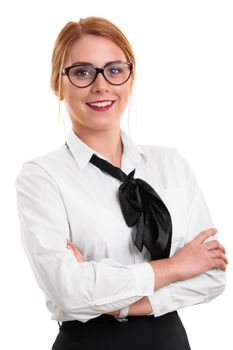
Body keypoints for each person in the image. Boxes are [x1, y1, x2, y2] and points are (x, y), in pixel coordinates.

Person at [15, 16, 227, 350]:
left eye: (114, 69)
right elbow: (67, 291)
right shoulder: (42, 176)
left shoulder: (170, 164)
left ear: (130, 78)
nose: (101, 85)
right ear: (58, 84)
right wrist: (176, 266)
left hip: (170, 341)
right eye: (83, 72)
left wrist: (120, 304)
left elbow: (211, 275)